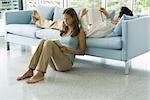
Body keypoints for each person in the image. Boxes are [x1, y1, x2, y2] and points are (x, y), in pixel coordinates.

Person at [16, 8, 86, 84]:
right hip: (56, 63)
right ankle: (30, 70)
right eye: (64, 18)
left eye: (67, 18)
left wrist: (68, 51)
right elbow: (50, 24)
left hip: (66, 64)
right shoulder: (64, 29)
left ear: (73, 18)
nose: (65, 21)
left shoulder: (80, 32)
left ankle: (40, 74)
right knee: (43, 41)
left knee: (49, 43)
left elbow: (82, 51)